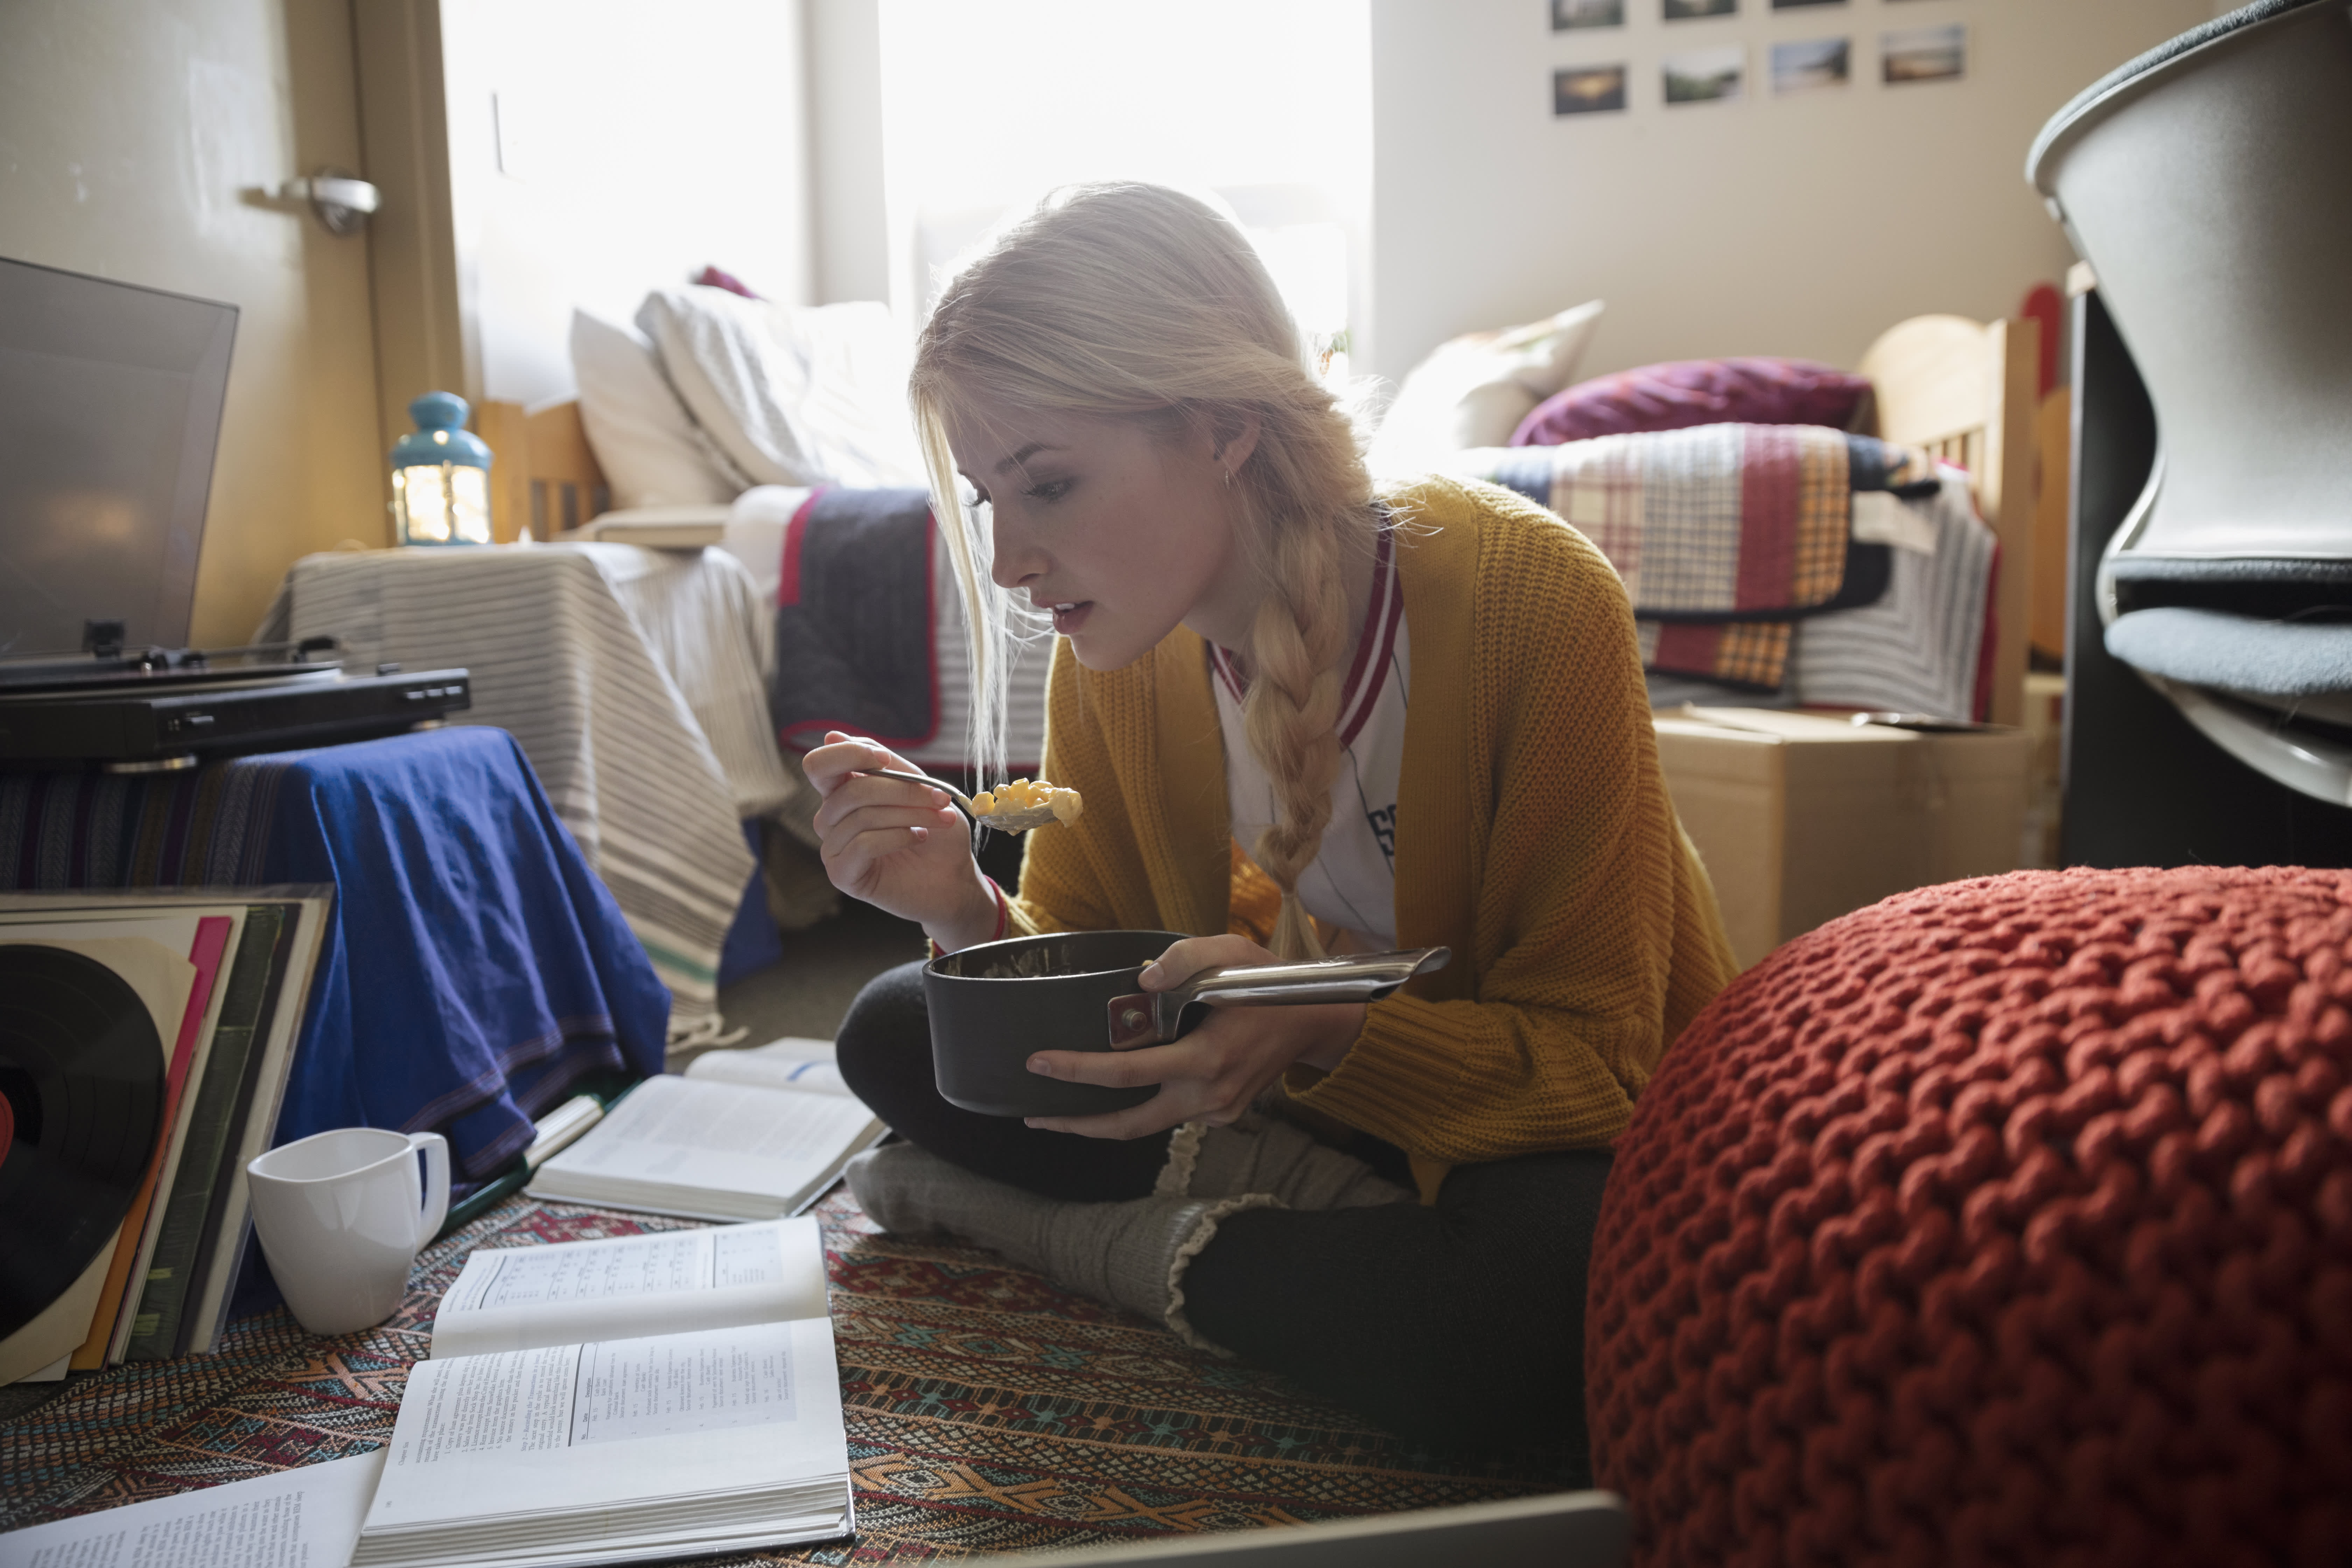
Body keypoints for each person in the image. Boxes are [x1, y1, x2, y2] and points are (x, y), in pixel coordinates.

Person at [803, 182, 1735, 1458]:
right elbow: (1089, 991)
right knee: (894, 1032)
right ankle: (1326, 1221)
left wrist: (1331, 1030)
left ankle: (1082, 1241)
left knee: (1551, 1309)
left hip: (1522, 1104)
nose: (1013, 558)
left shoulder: (1532, 600)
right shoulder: (1115, 664)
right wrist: (963, 909)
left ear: (1227, 426)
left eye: (1052, 485)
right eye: (987, 502)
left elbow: (1597, 1073)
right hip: (1280, 1078)